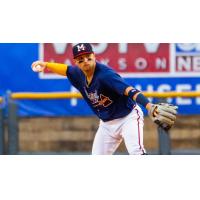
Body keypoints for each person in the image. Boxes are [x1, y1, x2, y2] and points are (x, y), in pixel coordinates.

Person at [32, 43, 177, 155]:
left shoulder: (105, 75)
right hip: (107, 124)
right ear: (76, 61)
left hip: (128, 118)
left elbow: (129, 90)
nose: (86, 61)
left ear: (94, 56)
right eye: (81, 59)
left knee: (136, 152)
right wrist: (46, 65)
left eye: (89, 57)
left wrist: (148, 105)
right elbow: (65, 70)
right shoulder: (77, 73)